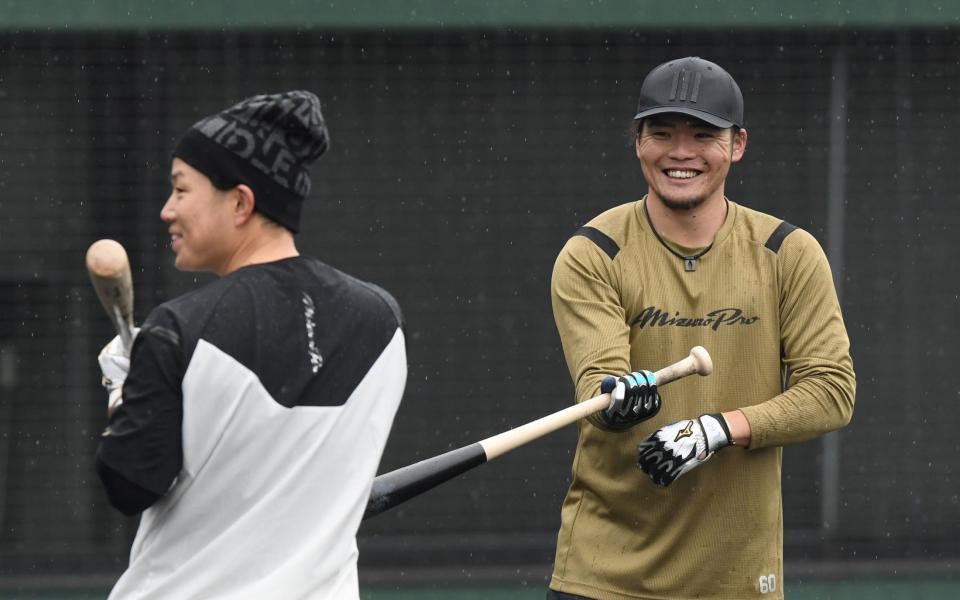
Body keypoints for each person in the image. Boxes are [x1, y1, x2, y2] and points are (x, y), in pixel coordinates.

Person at [546, 57, 855, 600]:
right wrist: (619, 401)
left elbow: (831, 392)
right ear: (638, 142)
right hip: (603, 578)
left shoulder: (788, 253)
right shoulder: (594, 253)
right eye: (661, 133)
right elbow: (599, 382)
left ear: (737, 145)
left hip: (735, 578)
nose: (681, 152)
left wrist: (719, 428)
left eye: (703, 135)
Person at [94, 91, 407, 599]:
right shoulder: (384, 324)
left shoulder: (177, 330)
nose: (166, 211)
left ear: (240, 202)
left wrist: (124, 392)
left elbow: (129, 485)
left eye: (180, 190)